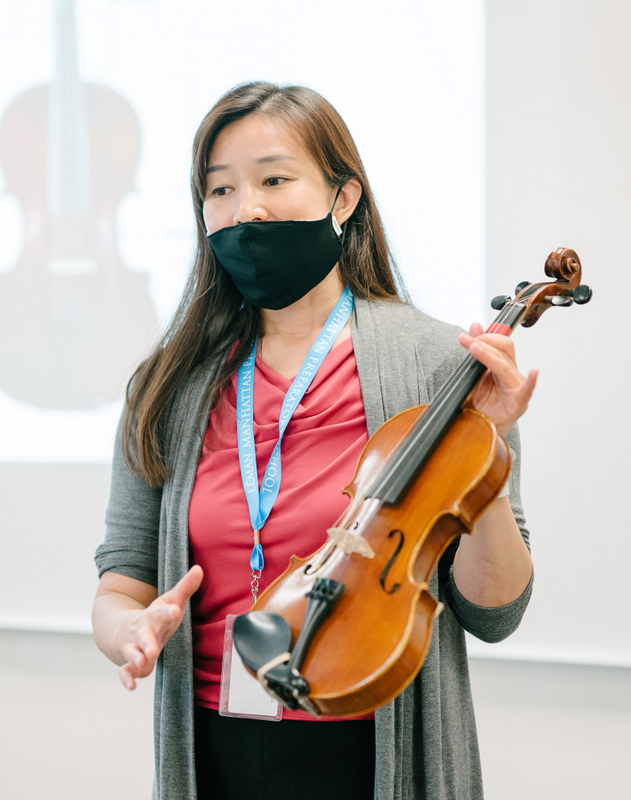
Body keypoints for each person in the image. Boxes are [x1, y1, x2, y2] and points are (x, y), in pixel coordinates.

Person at [92, 81, 535, 800]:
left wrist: (487, 453)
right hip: (214, 750)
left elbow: (495, 611)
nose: (248, 210)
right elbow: (122, 580)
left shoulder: (441, 367)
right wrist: (128, 630)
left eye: (274, 179)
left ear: (343, 198)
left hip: (373, 751)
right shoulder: (167, 385)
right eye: (220, 191)